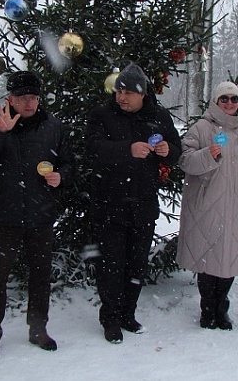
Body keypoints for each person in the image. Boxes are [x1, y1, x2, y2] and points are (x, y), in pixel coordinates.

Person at [0, 71, 74, 359]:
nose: (30, 104)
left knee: (40, 276)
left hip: (40, 215)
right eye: (23, 98)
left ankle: (38, 329)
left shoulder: (53, 127)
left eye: (34, 98)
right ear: (10, 99)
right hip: (5, 216)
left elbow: (69, 164)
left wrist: (60, 176)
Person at [86, 62, 182, 344]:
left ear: (142, 94)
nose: (122, 97)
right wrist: (126, 150)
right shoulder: (102, 114)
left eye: (128, 93)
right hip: (109, 203)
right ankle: (111, 319)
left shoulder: (158, 116)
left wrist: (167, 151)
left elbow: (175, 150)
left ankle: (129, 313)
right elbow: (92, 148)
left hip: (143, 205)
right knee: (111, 265)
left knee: (136, 265)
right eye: (119, 91)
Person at [176, 81, 238, 331]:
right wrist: (208, 155)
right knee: (207, 259)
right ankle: (207, 309)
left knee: (230, 258)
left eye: (234, 99)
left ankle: (221, 308)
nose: (229, 103)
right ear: (216, 101)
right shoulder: (201, 128)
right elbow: (185, 161)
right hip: (206, 204)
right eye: (224, 99)